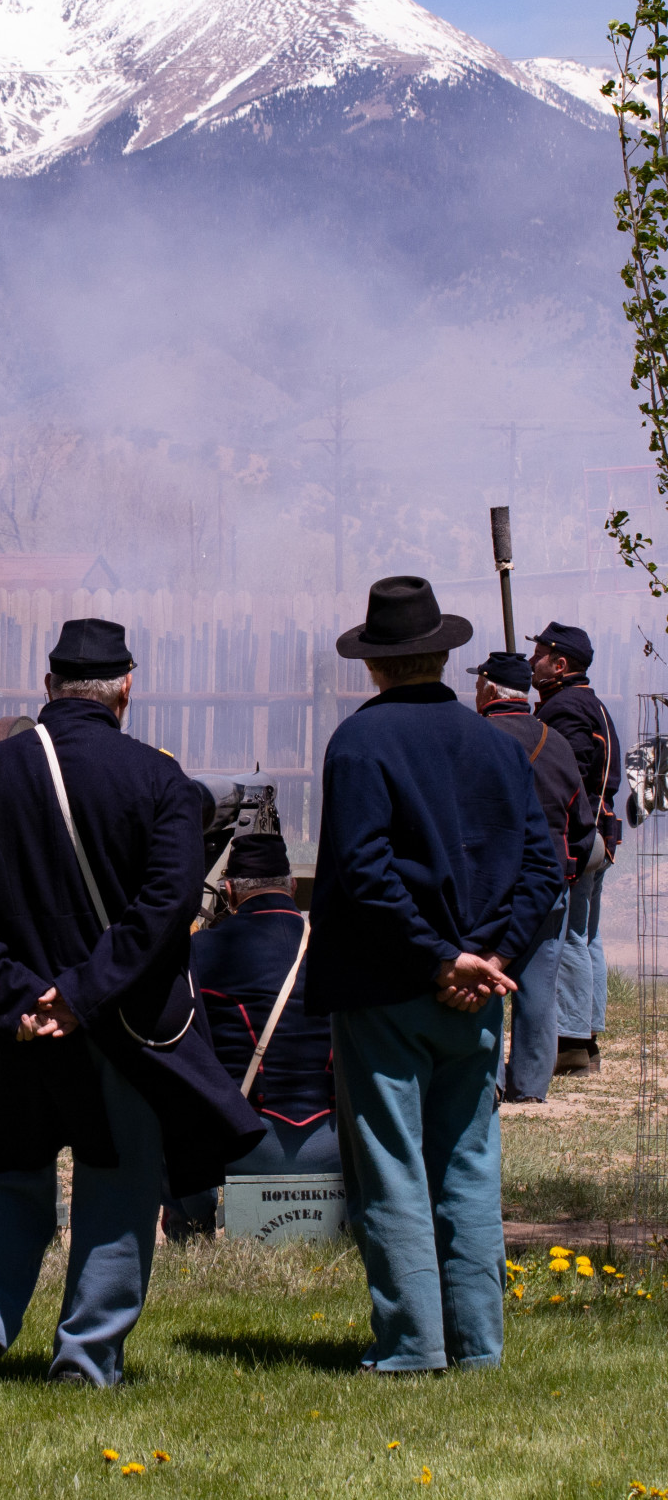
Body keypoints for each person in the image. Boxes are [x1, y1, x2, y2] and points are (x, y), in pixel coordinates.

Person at [0, 618, 264, 1386]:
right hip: (121, 1026)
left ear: (47, 689)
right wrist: (78, 995)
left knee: (10, 1174)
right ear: (126, 688)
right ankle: (84, 1358)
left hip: (16, 1031)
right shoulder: (160, 781)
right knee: (117, 1184)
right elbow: (165, 906)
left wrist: (14, 997)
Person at [308, 576, 559, 1373]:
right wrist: (493, 957)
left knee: (391, 1165)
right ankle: (478, 1345)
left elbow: (362, 871)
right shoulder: (498, 743)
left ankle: (414, 1345)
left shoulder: (358, 744)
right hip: (477, 988)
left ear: (376, 665)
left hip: (388, 985)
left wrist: (440, 955)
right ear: (446, 656)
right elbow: (542, 868)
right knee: (470, 1165)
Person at [161, 829, 336, 1240]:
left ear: (228, 890)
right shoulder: (337, 950)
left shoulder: (201, 951)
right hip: (336, 1148)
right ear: (292, 886)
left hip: (243, 1147)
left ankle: (193, 1223)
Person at [470, 649, 599, 1104]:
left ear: (487, 688)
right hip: (551, 886)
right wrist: (567, 871)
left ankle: (489, 1083)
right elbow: (582, 823)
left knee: (483, 982)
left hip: (489, 886)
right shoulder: (555, 740)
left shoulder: (473, 738)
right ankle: (530, 1088)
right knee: (539, 992)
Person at [528, 622, 622, 1077]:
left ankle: (571, 1042)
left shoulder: (565, 709)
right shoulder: (589, 702)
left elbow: (567, 776)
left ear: (560, 664)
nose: (532, 661)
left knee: (567, 939)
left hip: (577, 837)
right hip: (597, 836)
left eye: (540, 654)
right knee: (586, 938)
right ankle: (587, 1037)